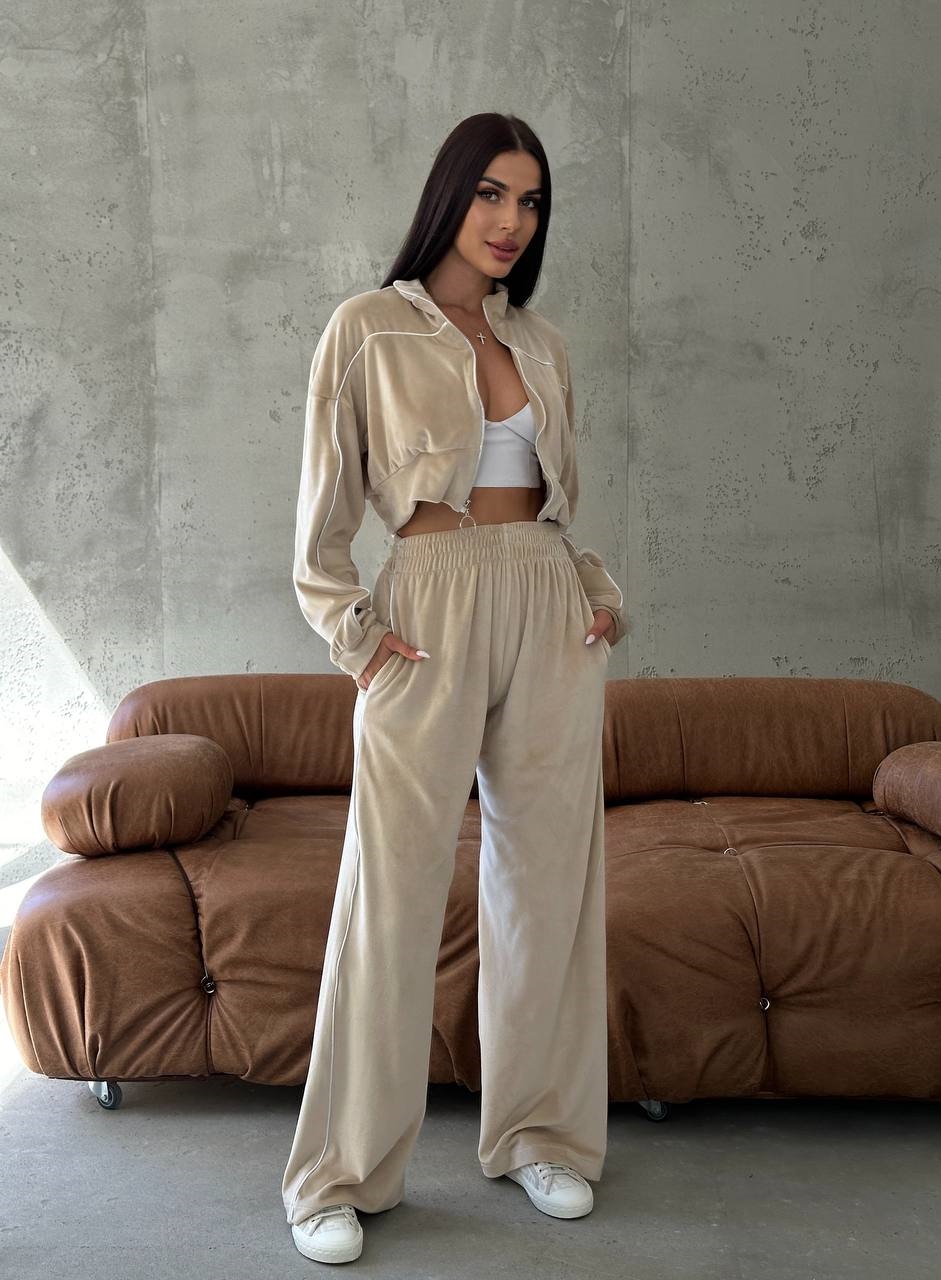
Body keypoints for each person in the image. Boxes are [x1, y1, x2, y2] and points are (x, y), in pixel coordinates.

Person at [281, 112, 628, 1266]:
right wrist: (358, 634)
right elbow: (323, 523)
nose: (510, 220)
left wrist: (592, 589)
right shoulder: (367, 328)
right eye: (489, 193)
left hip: (545, 605)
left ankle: (540, 1133)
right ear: (449, 195)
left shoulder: (542, 340)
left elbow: (552, 501)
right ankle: (339, 1171)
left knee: (545, 886)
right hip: (426, 606)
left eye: (530, 201)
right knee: (390, 892)